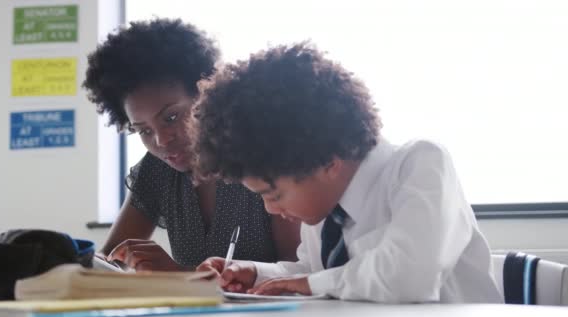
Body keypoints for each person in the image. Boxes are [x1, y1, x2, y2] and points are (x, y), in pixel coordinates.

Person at [192, 42, 503, 303]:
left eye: (274, 194)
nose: (271, 208)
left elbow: (408, 276)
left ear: (328, 162)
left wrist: (310, 284)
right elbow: (316, 272)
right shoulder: (325, 207)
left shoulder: (421, 164)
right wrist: (255, 273)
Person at [83, 18, 300, 271]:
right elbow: (108, 261)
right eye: (143, 130)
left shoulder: (259, 154)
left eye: (171, 117)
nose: (162, 140)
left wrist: (179, 275)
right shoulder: (157, 170)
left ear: (205, 94)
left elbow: (299, 271)